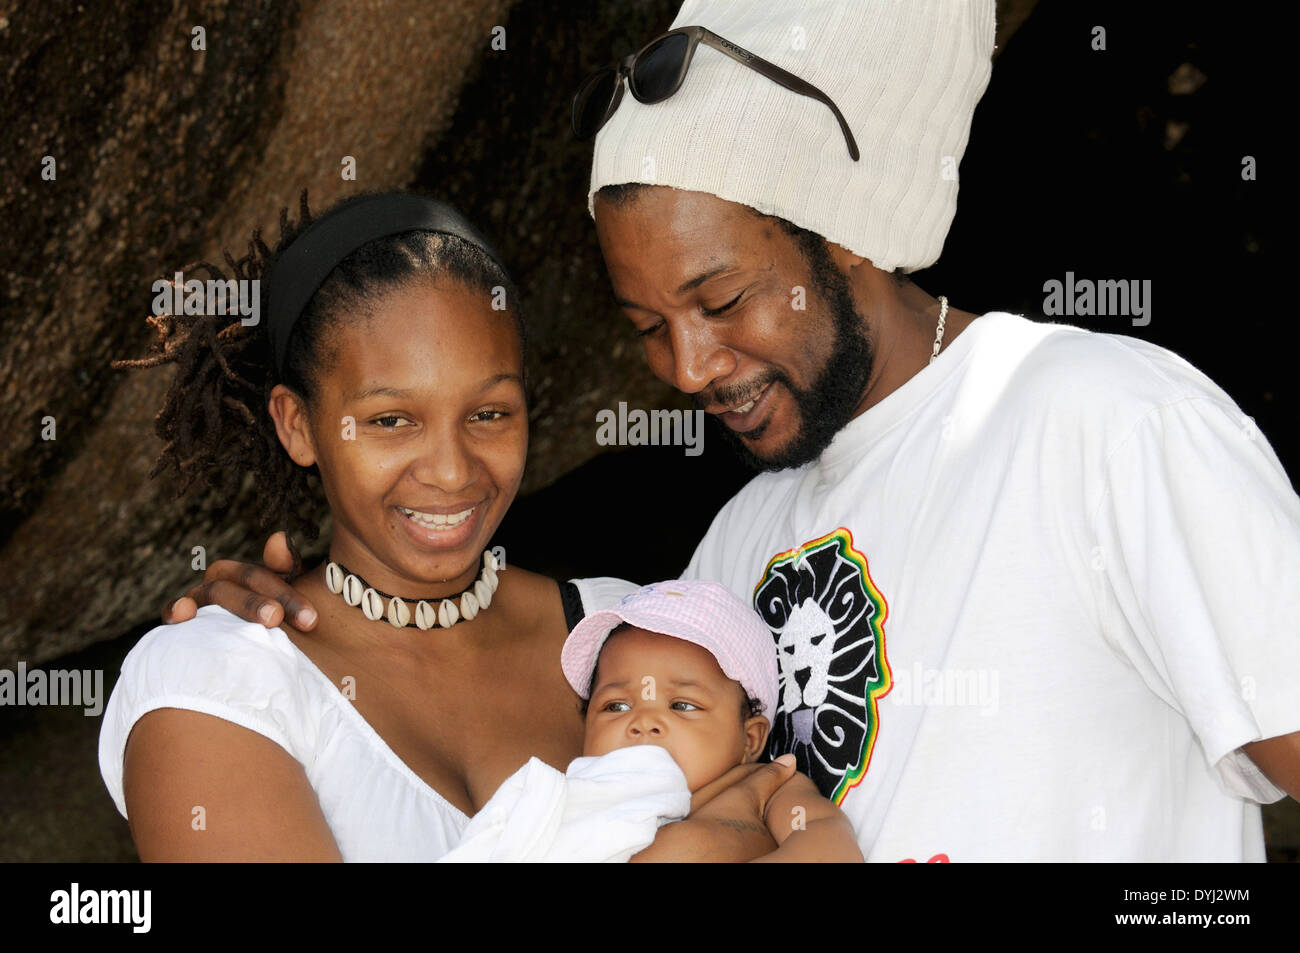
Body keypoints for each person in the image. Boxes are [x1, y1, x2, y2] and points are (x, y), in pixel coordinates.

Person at [159, 0, 1300, 861]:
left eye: (720, 301)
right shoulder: (735, 548)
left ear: (851, 230)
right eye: (647, 325)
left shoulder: (1106, 421)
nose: (689, 368)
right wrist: (284, 633)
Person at [101, 190, 794, 861]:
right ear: (297, 424)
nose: (452, 471)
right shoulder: (215, 681)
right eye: (390, 420)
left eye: (489, 413)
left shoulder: (633, 631)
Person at [438, 579, 862, 862]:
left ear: (750, 738)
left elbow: (824, 840)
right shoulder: (563, 803)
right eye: (616, 707)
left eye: (681, 705)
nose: (643, 722)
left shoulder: (771, 789)